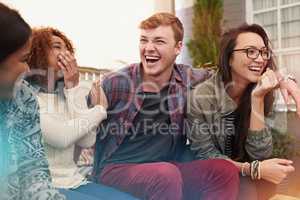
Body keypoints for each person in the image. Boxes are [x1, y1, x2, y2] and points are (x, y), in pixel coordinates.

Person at [90, 12, 240, 200]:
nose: (148, 48)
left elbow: (227, 77)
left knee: (222, 169)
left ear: (178, 48)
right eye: (144, 40)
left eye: (159, 41)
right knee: (165, 175)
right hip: (117, 169)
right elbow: (81, 120)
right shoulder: (116, 83)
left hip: (167, 166)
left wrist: (282, 79)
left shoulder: (187, 78)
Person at [187, 23, 295, 200]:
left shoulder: (263, 92)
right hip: (211, 175)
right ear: (229, 58)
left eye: (263, 52)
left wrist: (258, 98)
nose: (260, 59)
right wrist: (252, 169)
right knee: (247, 188)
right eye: (250, 51)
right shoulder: (201, 98)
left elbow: (260, 154)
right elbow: (207, 157)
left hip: (248, 174)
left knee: (267, 184)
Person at [27, 27, 137, 200]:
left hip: (74, 182)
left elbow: (87, 140)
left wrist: (74, 89)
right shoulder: (28, 97)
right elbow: (62, 137)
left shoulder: (67, 94)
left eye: (67, 49)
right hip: (44, 186)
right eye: (57, 46)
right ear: (38, 53)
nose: (66, 54)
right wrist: (100, 110)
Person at [0, 3, 65, 200]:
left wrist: (74, 89)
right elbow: (63, 137)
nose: (27, 70)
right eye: (22, 59)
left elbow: (33, 169)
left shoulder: (24, 97)